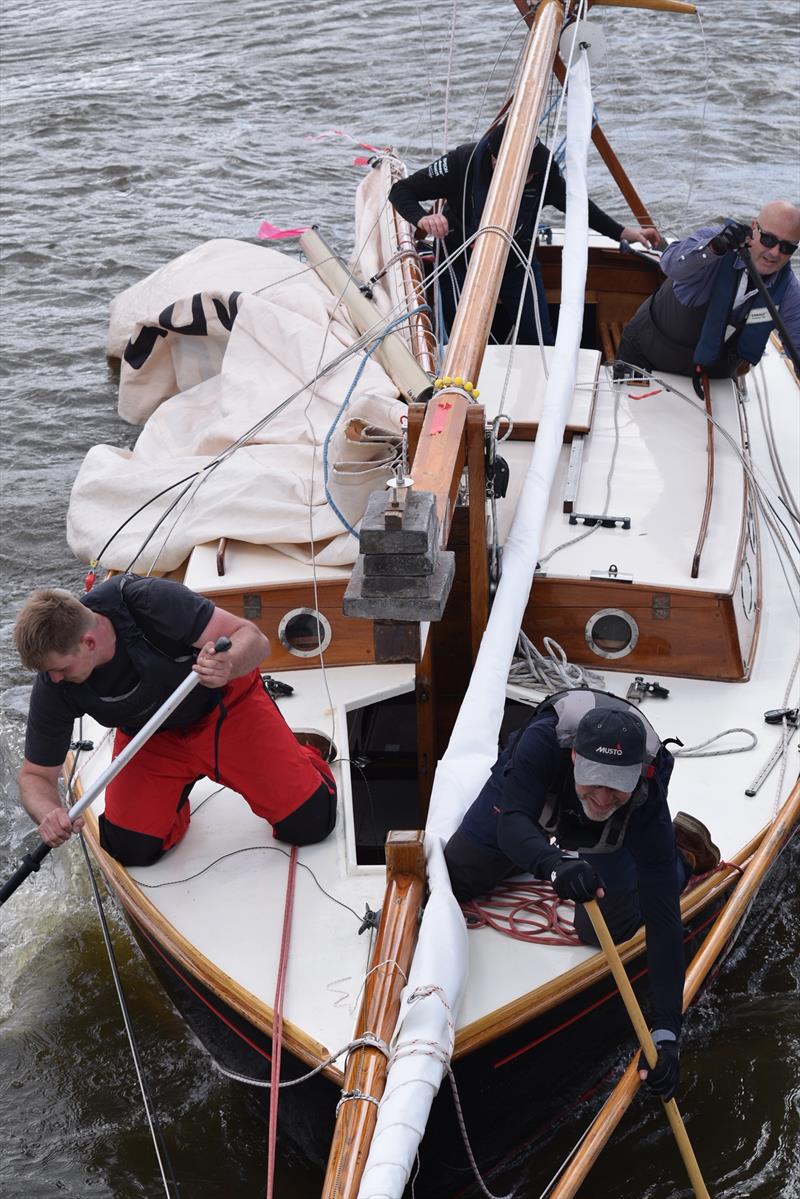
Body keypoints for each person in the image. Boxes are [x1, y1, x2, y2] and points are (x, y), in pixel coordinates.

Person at [443, 689, 720, 1100]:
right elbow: (511, 821)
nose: (604, 798)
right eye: (596, 781)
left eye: (617, 786)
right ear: (574, 758)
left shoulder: (643, 799)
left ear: (638, 775)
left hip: (618, 834)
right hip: (538, 800)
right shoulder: (541, 746)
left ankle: (681, 857)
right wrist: (553, 864)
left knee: (605, 930)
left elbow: (664, 920)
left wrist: (666, 1033)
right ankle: (539, 846)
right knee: (459, 873)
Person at [13, 575, 337, 866]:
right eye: (49, 673)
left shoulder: (151, 602)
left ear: (88, 643)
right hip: (150, 735)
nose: (55, 679)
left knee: (309, 824)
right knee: (130, 848)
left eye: (61, 669)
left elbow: (251, 637)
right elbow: (36, 775)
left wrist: (229, 663)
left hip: (225, 711)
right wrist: (49, 813)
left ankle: (304, 756)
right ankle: (175, 792)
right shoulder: (54, 685)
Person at [388, 121, 661, 345]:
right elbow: (401, 191)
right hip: (460, 257)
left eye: (532, 173)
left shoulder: (543, 171)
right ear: (495, 161)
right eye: (525, 172)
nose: (529, 177)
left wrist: (623, 233)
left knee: (540, 339)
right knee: (455, 338)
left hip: (516, 260)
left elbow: (577, 205)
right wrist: (423, 218)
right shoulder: (463, 162)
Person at [615, 200, 800, 379]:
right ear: (754, 227)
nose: (775, 252)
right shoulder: (716, 240)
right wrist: (715, 247)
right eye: (768, 239)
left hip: (712, 376)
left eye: (787, 247)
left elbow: (797, 341)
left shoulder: (788, 289)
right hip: (647, 356)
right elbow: (669, 264)